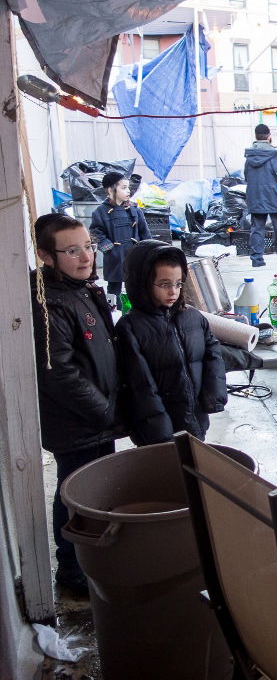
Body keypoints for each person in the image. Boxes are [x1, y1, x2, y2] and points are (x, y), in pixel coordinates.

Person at [30, 214, 123, 596]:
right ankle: (71, 571)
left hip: (97, 417)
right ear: (45, 256)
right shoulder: (49, 303)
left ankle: (94, 560)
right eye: (72, 250)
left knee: (96, 493)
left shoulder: (81, 288)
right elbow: (59, 374)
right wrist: (104, 411)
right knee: (73, 496)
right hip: (78, 422)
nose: (86, 257)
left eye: (88, 245)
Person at [116, 240, 226, 444]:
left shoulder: (193, 317)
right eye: (164, 284)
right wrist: (160, 433)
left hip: (196, 418)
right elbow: (141, 386)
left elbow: (213, 354)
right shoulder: (131, 327)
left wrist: (213, 397)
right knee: (166, 473)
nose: (173, 292)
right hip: (157, 432)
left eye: (178, 284)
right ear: (142, 283)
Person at [90, 171, 151, 306]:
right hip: (115, 257)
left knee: (136, 285)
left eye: (128, 187)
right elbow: (95, 232)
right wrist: (109, 247)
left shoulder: (135, 210)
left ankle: (137, 309)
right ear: (110, 190)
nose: (128, 191)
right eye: (123, 188)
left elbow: (144, 232)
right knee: (114, 288)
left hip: (134, 254)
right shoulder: (100, 212)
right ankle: (113, 311)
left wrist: (148, 250)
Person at [244, 123, 277, 268]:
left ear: (255, 136)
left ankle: (257, 259)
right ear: (269, 136)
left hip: (255, 194)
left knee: (257, 228)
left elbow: (246, 175)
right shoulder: (273, 154)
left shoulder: (250, 155)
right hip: (272, 194)